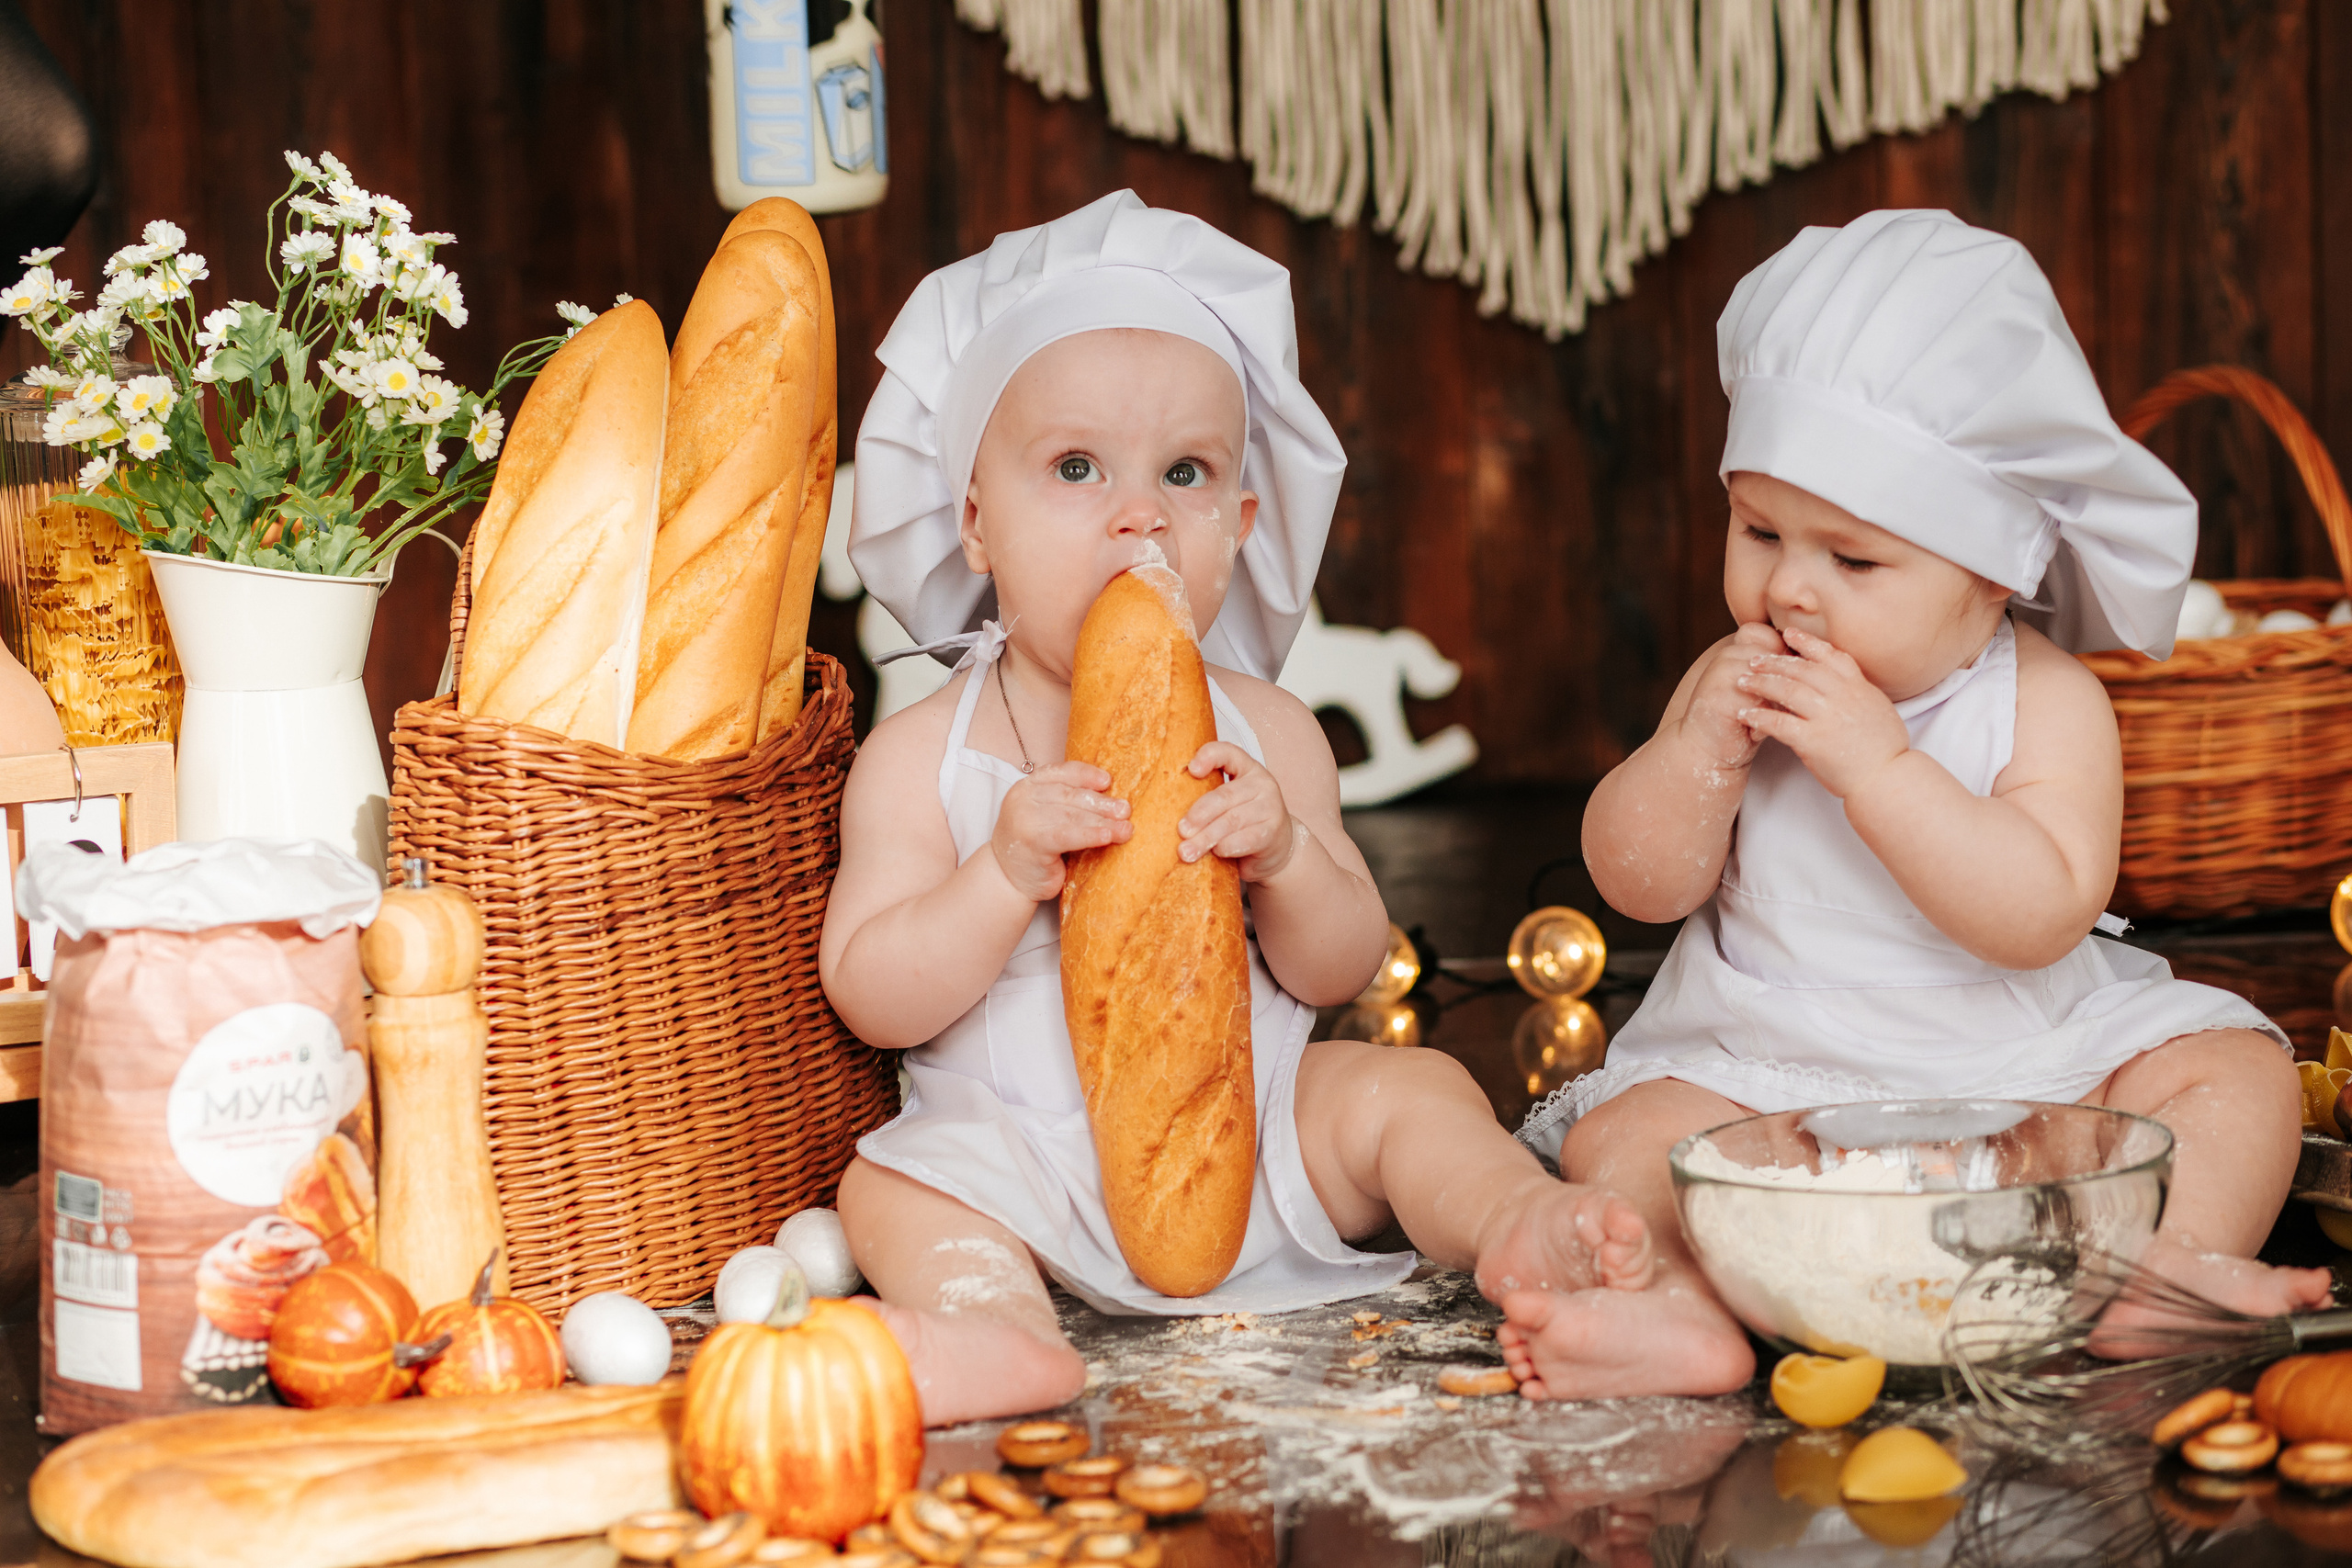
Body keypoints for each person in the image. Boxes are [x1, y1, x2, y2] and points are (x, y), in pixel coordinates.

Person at [821, 191, 1651, 1425]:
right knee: (886, 1190)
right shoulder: (922, 755)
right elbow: (869, 990)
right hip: (1011, 1164)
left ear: (1243, 527)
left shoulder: (1270, 731)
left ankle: (1514, 1221)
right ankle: (999, 1328)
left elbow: (1341, 967)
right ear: (976, 522)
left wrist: (1289, 859)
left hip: (1250, 1136)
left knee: (1406, 1088)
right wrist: (999, 875)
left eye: (1187, 473)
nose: (1140, 513)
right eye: (1076, 468)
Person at [1510, 209, 2332, 1401]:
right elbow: (1638, 885)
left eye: (1853, 560)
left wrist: (1881, 771)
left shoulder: (2047, 700)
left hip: (2027, 1077)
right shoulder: (1734, 681)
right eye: (1759, 531)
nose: (1790, 589)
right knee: (1623, 1135)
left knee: (2237, 1075)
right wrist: (1694, 755)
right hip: (1762, 1078)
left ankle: (2167, 1264)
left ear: (1992, 572)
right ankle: (1679, 1307)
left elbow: (2039, 915)